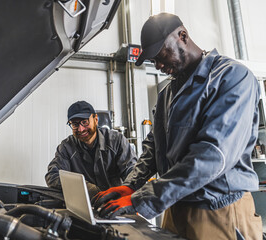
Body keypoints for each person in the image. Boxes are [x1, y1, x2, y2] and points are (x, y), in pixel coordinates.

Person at [92, 13, 263, 239]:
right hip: (174, 207)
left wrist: (141, 199)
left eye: (162, 55)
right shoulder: (167, 94)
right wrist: (131, 185)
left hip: (218, 210)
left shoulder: (232, 78)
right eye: (154, 61)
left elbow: (211, 157)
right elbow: (154, 148)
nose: (159, 65)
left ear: (182, 36)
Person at [45, 100, 137, 198]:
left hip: (116, 202)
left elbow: (133, 172)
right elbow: (52, 175)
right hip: (84, 204)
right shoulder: (66, 148)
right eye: (75, 124)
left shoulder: (116, 141)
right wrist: (86, 188)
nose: (81, 129)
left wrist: (124, 194)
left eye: (84, 122)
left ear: (96, 119)